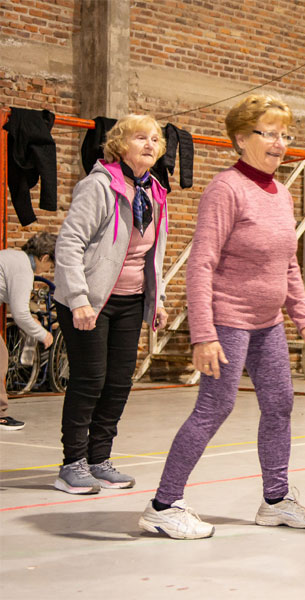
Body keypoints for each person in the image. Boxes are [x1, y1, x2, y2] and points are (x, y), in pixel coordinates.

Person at [139, 95, 305, 540]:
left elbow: (288, 263)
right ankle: (163, 505)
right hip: (227, 320)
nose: (280, 144)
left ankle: (276, 501)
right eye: (270, 134)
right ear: (241, 139)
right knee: (214, 407)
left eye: (285, 135)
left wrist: (304, 317)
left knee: (280, 404)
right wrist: (203, 334)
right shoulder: (226, 189)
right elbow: (200, 263)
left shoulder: (281, 193)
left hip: (268, 324)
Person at [53, 115, 169, 493]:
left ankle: (99, 459)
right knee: (90, 380)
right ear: (120, 145)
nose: (150, 144)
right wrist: (79, 299)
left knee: (118, 383)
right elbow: (69, 244)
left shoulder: (155, 192)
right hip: (90, 300)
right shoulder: (99, 185)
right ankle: (73, 464)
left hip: (130, 300)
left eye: (155, 139)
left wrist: (157, 299)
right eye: (140, 137)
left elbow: (153, 254)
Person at [0, 232, 56, 430]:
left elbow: (13, 299)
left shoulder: (12, 256)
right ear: (44, 257)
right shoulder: (24, 269)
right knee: (0, 357)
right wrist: (43, 334)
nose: (48, 270)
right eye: (51, 265)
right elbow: (20, 314)